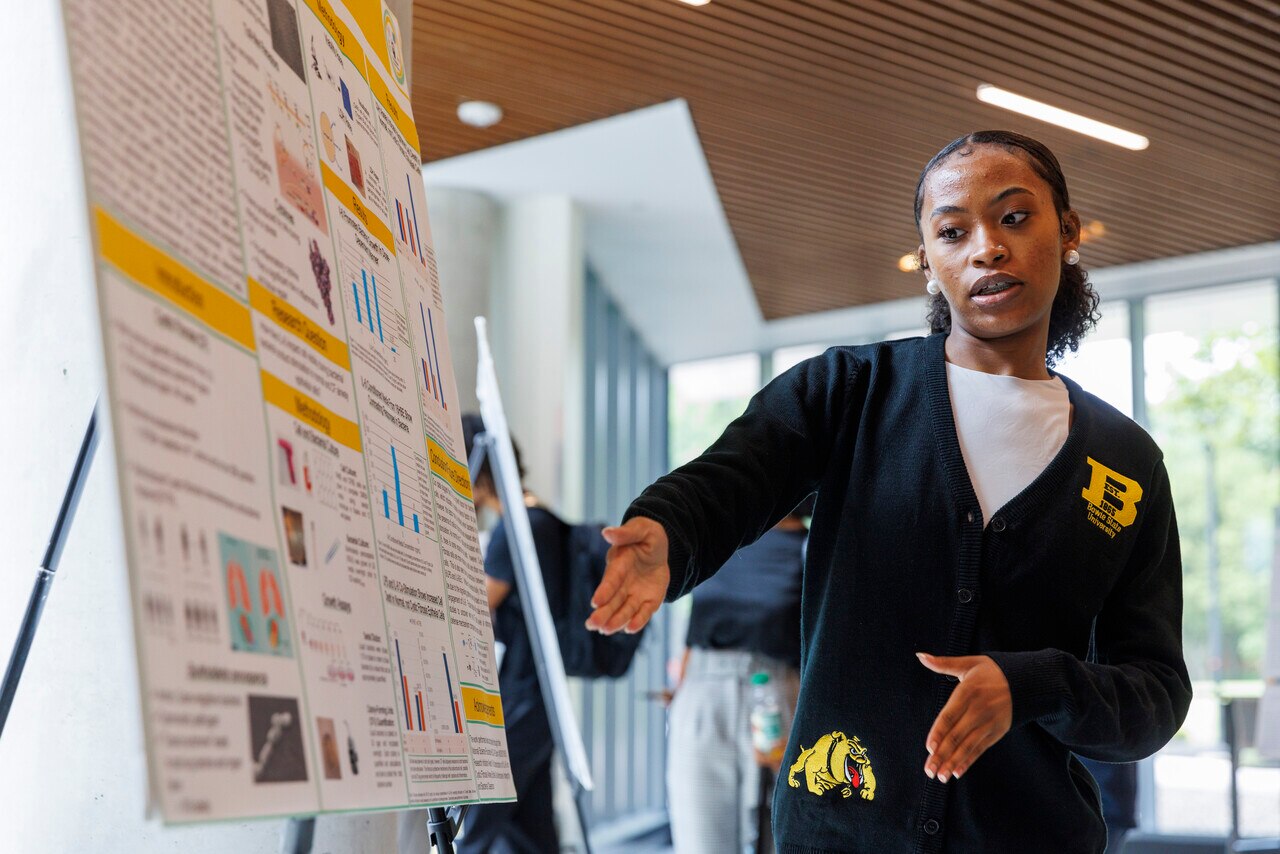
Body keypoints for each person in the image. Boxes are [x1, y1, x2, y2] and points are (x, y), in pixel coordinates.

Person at [586, 131, 1192, 853]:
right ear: (930, 263)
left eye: (1014, 218)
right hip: (841, 829)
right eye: (952, 230)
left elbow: (1154, 694)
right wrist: (667, 530)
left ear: (1066, 231)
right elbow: (738, 473)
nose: (986, 249)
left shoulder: (1124, 463)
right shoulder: (850, 392)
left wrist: (1033, 686)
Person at [667, 500, 810, 854]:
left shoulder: (813, 547)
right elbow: (695, 628)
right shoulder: (720, 540)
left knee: (780, 837)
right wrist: (681, 686)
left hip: (779, 694)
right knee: (699, 839)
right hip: (703, 690)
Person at [458, 412, 563, 854]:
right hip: (542, 698)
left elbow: (474, 608)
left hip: (520, 697)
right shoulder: (544, 519)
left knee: (475, 827)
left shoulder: (515, 530)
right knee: (531, 830)